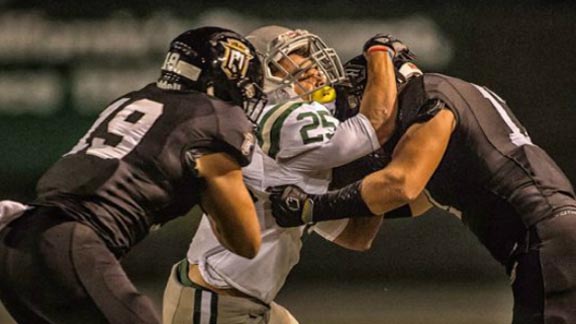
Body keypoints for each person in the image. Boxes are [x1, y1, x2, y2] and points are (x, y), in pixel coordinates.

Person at [269, 37, 576, 324]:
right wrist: (326, 204)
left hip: (548, 244)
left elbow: (401, 185)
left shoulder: (429, 95)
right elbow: (401, 205)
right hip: (553, 239)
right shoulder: (454, 99)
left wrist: (310, 208)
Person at [0, 26, 266, 324]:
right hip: (68, 244)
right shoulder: (218, 118)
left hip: (16, 241)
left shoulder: (138, 99)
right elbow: (246, 242)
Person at [162, 27, 418, 324]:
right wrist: (380, 52)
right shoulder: (283, 120)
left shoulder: (295, 142)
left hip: (228, 297)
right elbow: (377, 122)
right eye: (300, 63)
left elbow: (356, 236)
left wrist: (371, 164)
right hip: (216, 305)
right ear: (263, 77)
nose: (316, 71)